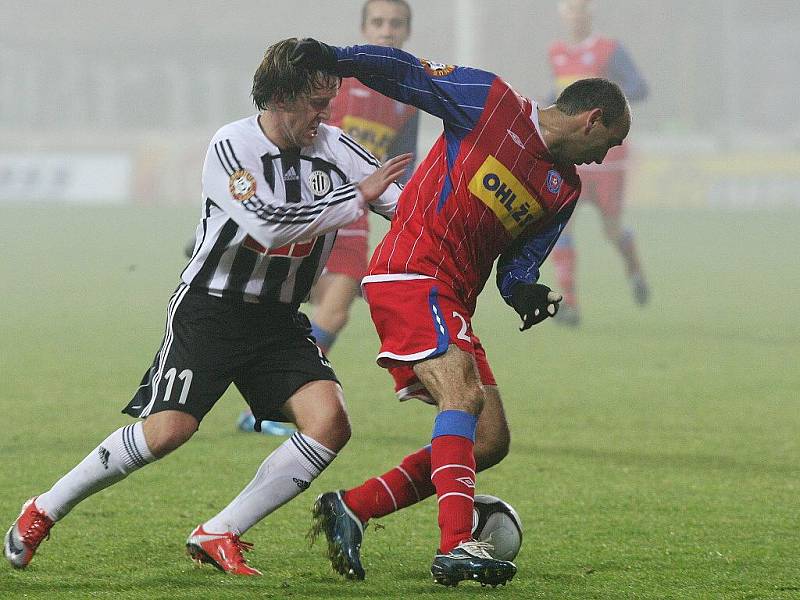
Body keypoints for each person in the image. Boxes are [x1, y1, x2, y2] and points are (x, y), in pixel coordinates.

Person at [4, 38, 411, 576]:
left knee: (329, 422)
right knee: (169, 430)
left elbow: (400, 205)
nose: (326, 111)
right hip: (211, 309)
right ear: (281, 96)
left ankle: (221, 531)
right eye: (316, 100)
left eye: (328, 99)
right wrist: (355, 197)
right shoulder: (232, 145)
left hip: (277, 320)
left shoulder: (336, 146)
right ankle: (44, 508)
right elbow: (266, 224)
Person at [291, 40, 631, 586]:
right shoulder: (492, 102)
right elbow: (409, 75)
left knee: (489, 440)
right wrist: (333, 57)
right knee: (463, 396)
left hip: (453, 298)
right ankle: (457, 545)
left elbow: (518, 267)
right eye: (609, 143)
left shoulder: (563, 189)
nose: (603, 157)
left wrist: (527, 292)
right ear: (592, 120)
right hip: (410, 272)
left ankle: (352, 507)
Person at [237, 0, 419, 437]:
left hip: (356, 212)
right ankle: (274, 402)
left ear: (407, 32)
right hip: (311, 203)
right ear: (363, 28)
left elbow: (402, 164)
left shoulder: (408, 96)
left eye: (395, 24)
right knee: (293, 306)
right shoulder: (336, 81)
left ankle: (272, 406)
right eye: (378, 22)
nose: (386, 31)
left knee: (332, 311)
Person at [548, 0, 649, 325]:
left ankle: (634, 269)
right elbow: (559, 96)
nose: (575, 16)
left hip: (606, 156)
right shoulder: (557, 53)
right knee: (562, 223)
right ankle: (570, 304)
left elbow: (639, 87)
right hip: (572, 153)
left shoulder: (609, 50)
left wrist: (604, 101)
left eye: (581, 9)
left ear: (590, 13)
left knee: (611, 228)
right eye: (570, 10)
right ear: (563, 16)